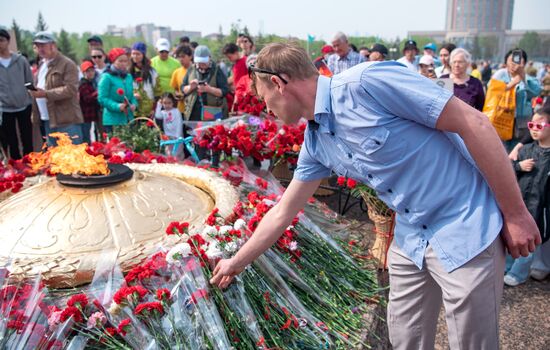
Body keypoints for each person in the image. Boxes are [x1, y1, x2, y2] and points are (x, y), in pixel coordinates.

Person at [209, 43, 540, 349]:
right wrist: (235, 262)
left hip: (464, 223)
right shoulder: (316, 142)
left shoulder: (367, 83)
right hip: (411, 238)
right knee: (405, 336)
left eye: (264, 98)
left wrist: (515, 214)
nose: (266, 110)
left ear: (280, 83)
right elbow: (283, 212)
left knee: (473, 342)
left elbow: (475, 123)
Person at [505, 105, 550, 286]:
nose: (533, 129)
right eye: (531, 124)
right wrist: (518, 166)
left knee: (531, 240)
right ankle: (507, 267)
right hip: (521, 203)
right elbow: (507, 173)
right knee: (514, 237)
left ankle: (518, 273)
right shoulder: (525, 151)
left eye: (539, 126)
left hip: (542, 207)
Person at [29, 31, 84, 146]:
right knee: (55, 158)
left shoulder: (67, 64)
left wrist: (45, 94)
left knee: (72, 158)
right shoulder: (42, 64)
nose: (40, 49)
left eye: (43, 45)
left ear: (53, 45)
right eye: (37, 46)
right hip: (48, 119)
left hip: (66, 120)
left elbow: (70, 89)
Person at [492, 48, 542, 149]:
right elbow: (492, 94)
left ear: (524, 63)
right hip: (501, 123)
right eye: (511, 60)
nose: (513, 64)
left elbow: (535, 92)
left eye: (518, 60)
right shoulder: (500, 76)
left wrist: (522, 76)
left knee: (519, 154)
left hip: (521, 126)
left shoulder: (529, 79)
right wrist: (512, 83)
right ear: (506, 62)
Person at [0, 28, 34, 159]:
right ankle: (17, 166)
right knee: (11, 140)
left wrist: (30, 99)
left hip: (24, 104)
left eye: (1, 40)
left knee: (27, 137)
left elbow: (29, 81)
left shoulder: (20, 60)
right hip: (5, 107)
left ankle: (30, 163)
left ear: (8, 41)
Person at [181, 45, 228, 121]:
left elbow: (224, 91)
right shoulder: (191, 69)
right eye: (199, 61)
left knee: (211, 131)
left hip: (213, 112)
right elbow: (183, 88)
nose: (202, 64)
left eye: (204, 61)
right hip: (193, 113)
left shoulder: (217, 69)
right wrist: (191, 87)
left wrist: (209, 89)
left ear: (209, 58)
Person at [98, 48, 137, 133]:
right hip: (113, 120)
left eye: (125, 61)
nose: (123, 64)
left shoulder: (128, 77)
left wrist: (134, 104)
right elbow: (102, 98)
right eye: (120, 61)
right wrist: (117, 106)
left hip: (128, 118)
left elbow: (131, 95)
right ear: (113, 61)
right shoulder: (107, 77)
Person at [129, 42, 160, 119]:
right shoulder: (128, 72)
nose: (135, 56)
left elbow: (157, 91)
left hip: (148, 109)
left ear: (143, 55)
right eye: (133, 54)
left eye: (138, 54)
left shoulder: (152, 72)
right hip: (132, 109)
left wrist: (154, 108)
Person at [155, 92, 183, 156]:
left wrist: (178, 136)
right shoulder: (163, 112)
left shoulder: (176, 111)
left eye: (169, 103)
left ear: (173, 102)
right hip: (168, 136)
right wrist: (159, 104)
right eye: (165, 103)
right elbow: (157, 116)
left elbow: (179, 123)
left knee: (178, 152)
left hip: (177, 136)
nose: (167, 105)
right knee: (169, 152)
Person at [78, 61, 100, 144]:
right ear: (83, 73)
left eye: (92, 71)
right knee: (86, 137)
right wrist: (97, 93)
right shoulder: (83, 84)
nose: (91, 73)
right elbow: (87, 98)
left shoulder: (91, 83)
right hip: (85, 115)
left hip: (91, 115)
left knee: (92, 134)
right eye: (88, 71)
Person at [170, 45, 193, 113]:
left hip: (194, 109)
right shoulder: (176, 72)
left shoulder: (196, 71)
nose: (181, 59)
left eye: (183, 56)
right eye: (179, 57)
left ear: (190, 56)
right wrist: (177, 95)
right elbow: (175, 89)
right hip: (181, 109)